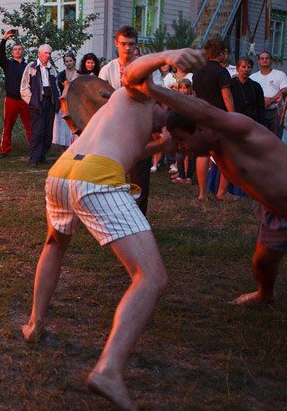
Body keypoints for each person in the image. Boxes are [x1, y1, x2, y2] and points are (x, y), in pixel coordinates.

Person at [22, 46, 204, 410]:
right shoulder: (135, 94)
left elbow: (133, 152)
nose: (168, 111)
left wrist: (166, 142)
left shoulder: (128, 119)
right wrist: (169, 55)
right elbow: (134, 71)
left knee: (55, 244)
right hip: (94, 178)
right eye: (166, 105)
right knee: (151, 277)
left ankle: (34, 323)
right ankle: (108, 370)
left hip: (62, 172)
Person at [136, 58, 287, 306]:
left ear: (200, 128)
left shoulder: (237, 130)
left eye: (182, 140)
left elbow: (204, 110)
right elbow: (153, 144)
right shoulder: (210, 147)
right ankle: (265, 295)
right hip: (278, 216)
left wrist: (153, 89)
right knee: (262, 264)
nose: (181, 148)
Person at [98, 25, 161, 214]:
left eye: (131, 44)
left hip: (140, 127)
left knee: (139, 177)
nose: (127, 48)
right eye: (123, 44)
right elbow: (98, 99)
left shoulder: (147, 67)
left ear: (136, 45)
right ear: (116, 43)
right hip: (114, 129)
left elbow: (158, 92)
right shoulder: (108, 69)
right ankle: (113, 216)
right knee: (111, 175)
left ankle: (138, 218)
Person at [191, 36, 235, 200]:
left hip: (202, 117)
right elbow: (227, 96)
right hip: (219, 118)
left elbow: (194, 96)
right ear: (221, 52)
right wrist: (233, 116)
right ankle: (222, 193)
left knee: (203, 154)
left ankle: (202, 193)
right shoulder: (221, 71)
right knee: (226, 156)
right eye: (225, 52)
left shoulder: (197, 71)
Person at [21, 44, 61, 166]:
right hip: (38, 102)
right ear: (39, 53)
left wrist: (57, 100)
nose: (47, 55)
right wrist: (32, 101)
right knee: (37, 131)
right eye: (45, 53)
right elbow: (24, 87)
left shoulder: (52, 68)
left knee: (48, 131)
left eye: (49, 53)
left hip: (50, 102)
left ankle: (42, 156)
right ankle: (34, 158)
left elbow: (57, 87)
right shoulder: (31, 67)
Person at [0, 29, 31, 157]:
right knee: (7, 126)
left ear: (23, 51)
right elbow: (1, 55)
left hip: (25, 100)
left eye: (19, 49)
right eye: (15, 49)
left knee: (30, 126)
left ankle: (34, 149)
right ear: (12, 52)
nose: (17, 51)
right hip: (11, 99)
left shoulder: (28, 66)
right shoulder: (7, 64)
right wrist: (4, 39)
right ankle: (4, 150)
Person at [250, 51, 287, 136]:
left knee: (276, 137)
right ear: (258, 61)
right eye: (262, 58)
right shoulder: (253, 77)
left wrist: (271, 100)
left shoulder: (280, 74)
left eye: (267, 58)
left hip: (275, 111)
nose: (265, 60)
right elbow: (251, 92)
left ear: (271, 60)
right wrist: (262, 100)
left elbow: (284, 90)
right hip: (259, 112)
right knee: (261, 137)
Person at [53, 53, 78, 151]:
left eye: (70, 61)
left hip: (75, 105)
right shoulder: (61, 75)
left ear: (74, 61)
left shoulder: (79, 74)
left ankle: (73, 151)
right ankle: (63, 153)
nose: (69, 63)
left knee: (73, 129)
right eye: (66, 61)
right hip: (63, 105)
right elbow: (57, 90)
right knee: (62, 130)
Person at [230, 57, 265, 123]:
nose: (246, 69)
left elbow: (261, 107)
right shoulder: (230, 84)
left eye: (249, 67)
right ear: (237, 68)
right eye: (243, 67)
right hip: (234, 120)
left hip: (252, 121)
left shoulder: (256, 86)